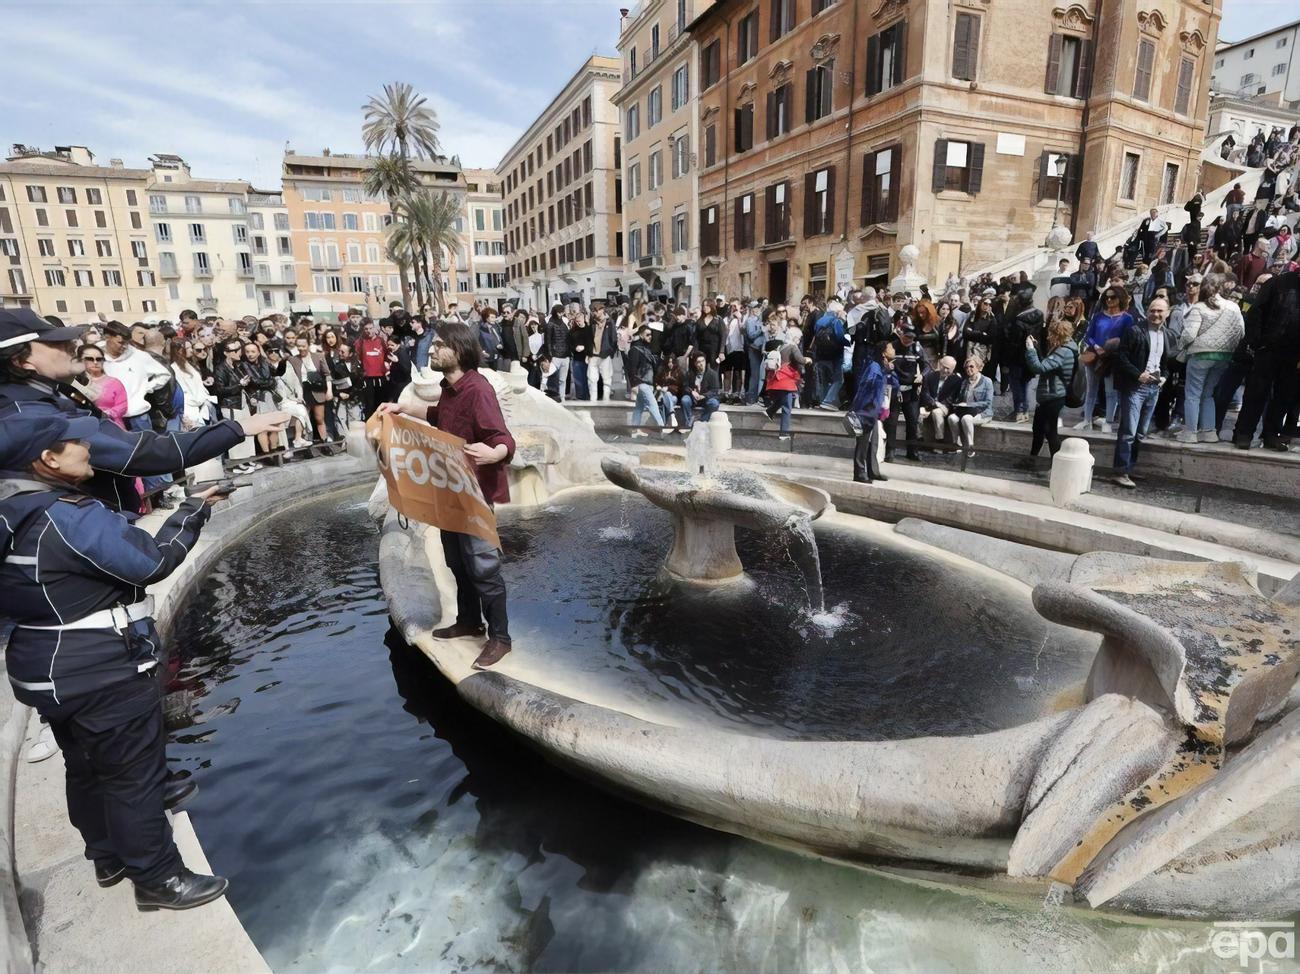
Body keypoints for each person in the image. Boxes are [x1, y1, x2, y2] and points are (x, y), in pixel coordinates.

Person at [0, 415, 233, 910]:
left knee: (84, 766)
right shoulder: (66, 515)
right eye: (74, 442)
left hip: (46, 667)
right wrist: (193, 510)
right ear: (47, 461)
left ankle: (107, 856)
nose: (89, 447)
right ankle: (158, 879)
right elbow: (150, 561)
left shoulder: (9, 510)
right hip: (100, 667)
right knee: (134, 775)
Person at [376, 321, 516, 670]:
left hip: (474, 495)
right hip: (451, 490)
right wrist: (404, 410)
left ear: (459, 350)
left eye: (439, 345)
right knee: (456, 561)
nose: (433, 350)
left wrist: (496, 453)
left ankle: (500, 638)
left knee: (483, 567)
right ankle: (470, 621)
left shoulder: (477, 389)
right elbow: (440, 416)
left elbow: (503, 437)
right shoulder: (450, 388)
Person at [1234, 269, 1299, 451]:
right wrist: (1257, 342)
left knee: (1283, 396)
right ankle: (1244, 433)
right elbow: (1256, 312)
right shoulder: (1277, 283)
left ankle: (1271, 435)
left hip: (1293, 355)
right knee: (1256, 392)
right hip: (1268, 349)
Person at [1177, 273, 1245, 444]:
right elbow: (1241, 332)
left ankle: (1191, 432)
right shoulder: (1233, 307)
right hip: (1224, 356)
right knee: (1208, 394)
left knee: (1193, 394)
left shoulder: (1199, 307)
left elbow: (1189, 334)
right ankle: (1209, 432)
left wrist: (1181, 346)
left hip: (1200, 355)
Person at [1112, 297, 1170, 488]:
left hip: (1154, 388)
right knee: (1128, 431)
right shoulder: (1134, 331)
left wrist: (1164, 377)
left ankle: (1129, 468)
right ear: (1147, 312)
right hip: (1135, 388)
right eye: (1153, 310)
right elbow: (1121, 357)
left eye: (1160, 311)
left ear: (1167, 313)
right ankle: (1121, 471)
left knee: (1140, 433)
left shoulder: (1167, 335)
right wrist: (1138, 375)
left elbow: (1166, 362)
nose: (1156, 314)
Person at [1076, 286, 1134, 432]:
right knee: (1091, 390)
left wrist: (1112, 347)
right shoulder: (1098, 316)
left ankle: (1108, 421)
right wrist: (1096, 347)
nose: (1109, 300)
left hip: (1112, 357)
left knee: (1110, 391)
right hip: (1094, 355)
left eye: (1113, 297)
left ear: (1120, 298)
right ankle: (1086, 420)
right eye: (1107, 297)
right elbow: (1089, 336)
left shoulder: (1127, 318)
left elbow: (1128, 338)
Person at [1025, 317, 1080, 458]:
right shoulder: (1062, 348)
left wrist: (1030, 350)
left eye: (1051, 334)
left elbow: (1039, 367)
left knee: (1050, 432)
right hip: (1048, 396)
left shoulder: (1064, 351)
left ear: (1059, 334)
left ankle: (1057, 463)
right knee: (1038, 429)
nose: (1049, 337)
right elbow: (1048, 364)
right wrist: (1037, 348)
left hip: (1054, 396)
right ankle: (1032, 459)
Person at [848, 344, 892, 483]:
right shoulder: (874, 367)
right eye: (891, 348)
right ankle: (859, 472)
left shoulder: (882, 368)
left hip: (874, 411)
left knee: (873, 443)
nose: (894, 350)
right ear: (883, 353)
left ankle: (873, 471)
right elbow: (866, 387)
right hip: (866, 411)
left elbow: (891, 385)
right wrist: (865, 407)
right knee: (862, 443)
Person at [946, 356, 994, 457]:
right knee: (951, 418)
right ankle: (957, 444)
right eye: (966, 367)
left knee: (966, 419)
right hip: (966, 411)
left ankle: (970, 447)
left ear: (979, 367)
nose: (968, 369)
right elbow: (960, 399)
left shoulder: (987, 381)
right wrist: (957, 404)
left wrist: (968, 404)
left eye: (971, 366)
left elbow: (988, 402)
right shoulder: (965, 382)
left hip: (982, 413)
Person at [626, 325, 665, 437]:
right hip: (641, 383)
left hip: (647, 383)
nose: (650, 337)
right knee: (653, 406)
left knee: (639, 408)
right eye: (647, 334)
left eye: (651, 335)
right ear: (641, 335)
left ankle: (634, 430)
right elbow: (631, 369)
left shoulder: (647, 349)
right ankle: (663, 429)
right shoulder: (635, 349)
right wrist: (633, 385)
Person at [919, 355, 961, 443]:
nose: (945, 370)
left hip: (945, 407)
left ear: (953, 369)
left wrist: (940, 406)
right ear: (939, 364)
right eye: (943, 367)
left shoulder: (956, 380)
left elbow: (951, 397)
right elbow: (925, 393)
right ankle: (919, 439)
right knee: (917, 412)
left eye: (948, 368)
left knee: (937, 412)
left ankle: (939, 440)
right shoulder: (930, 376)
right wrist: (935, 403)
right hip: (930, 404)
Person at [681, 353, 722, 429]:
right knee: (685, 400)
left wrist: (704, 396)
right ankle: (689, 421)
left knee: (714, 403)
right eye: (698, 362)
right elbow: (685, 386)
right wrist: (691, 392)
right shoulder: (690, 373)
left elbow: (715, 390)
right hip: (693, 398)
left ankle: (701, 420)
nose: (701, 364)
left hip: (705, 398)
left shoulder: (712, 374)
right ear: (695, 364)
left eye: (703, 361)